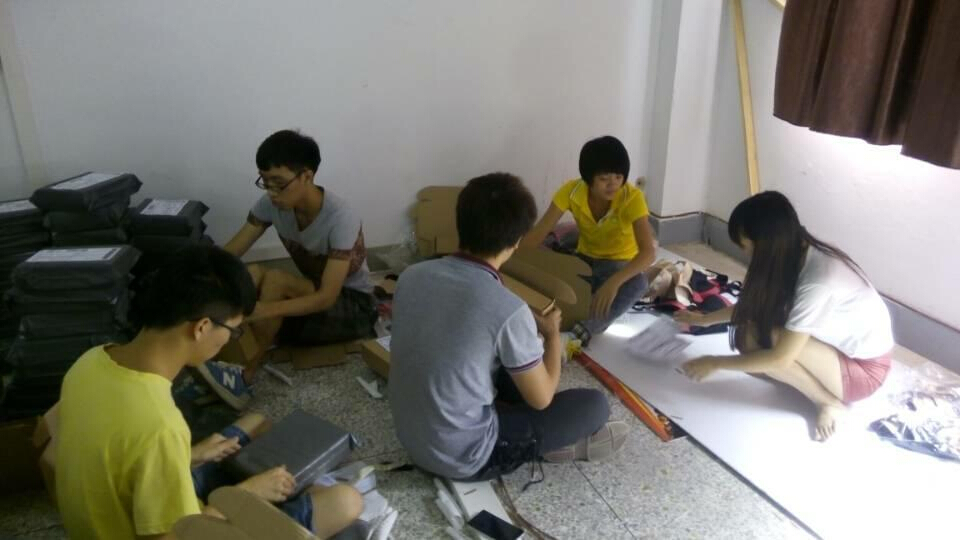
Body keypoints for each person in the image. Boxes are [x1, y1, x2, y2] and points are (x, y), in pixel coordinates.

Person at [55, 245, 362, 539]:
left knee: (257, 422)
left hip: (125, 510)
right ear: (201, 327)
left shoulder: (91, 360)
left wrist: (189, 456)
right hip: (173, 530)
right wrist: (249, 493)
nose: (228, 340)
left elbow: (119, 457)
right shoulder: (160, 427)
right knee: (346, 501)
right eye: (233, 330)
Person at [389, 173, 628, 483]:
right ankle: (543, 448)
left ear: (460, 222)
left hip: (412, 438)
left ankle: (523, 428)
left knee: (510, 365)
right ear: (516, 241)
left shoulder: (412, 275)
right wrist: (552, 336)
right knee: (594, 406)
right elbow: (542, 399)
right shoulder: (508, 308)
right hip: (466, 457)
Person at [678, 192, 894, 441]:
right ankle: (801, 380)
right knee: (750, 337)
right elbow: (756, 308)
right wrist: (702, 320)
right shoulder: (797, 250)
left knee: (769, 344)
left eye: (747, 247)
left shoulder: (818, 281)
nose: (747, 255)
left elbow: (780, 358)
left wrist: (714, 362)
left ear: (766, 244)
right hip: (839, 350)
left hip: (864, 371)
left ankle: (828, 402)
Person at [199, 129, 377, 409]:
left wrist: (263, 310)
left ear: (307, 176)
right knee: (251, 273)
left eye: (279, 183)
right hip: (311, 297)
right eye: (265, 182)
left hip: (355, 308)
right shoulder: (272, 204)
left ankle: (244, 376)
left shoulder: (341, 217)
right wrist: (197, 275)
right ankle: (219, 356)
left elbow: (327, 297)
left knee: (277, 281)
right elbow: (230, 256)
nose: (271, 192)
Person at [521, 135, 656, 346]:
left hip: (617, 267)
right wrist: (508, 259)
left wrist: (613, 283)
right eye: (604, 178)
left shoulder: (632, 198)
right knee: (545, 254)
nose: (613, 184)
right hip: (583, 260)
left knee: (638, 284)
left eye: (618, 177)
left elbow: (648, 253)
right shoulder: (571, 191)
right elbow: (540, 232)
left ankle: (577, 334)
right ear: (588, 178)